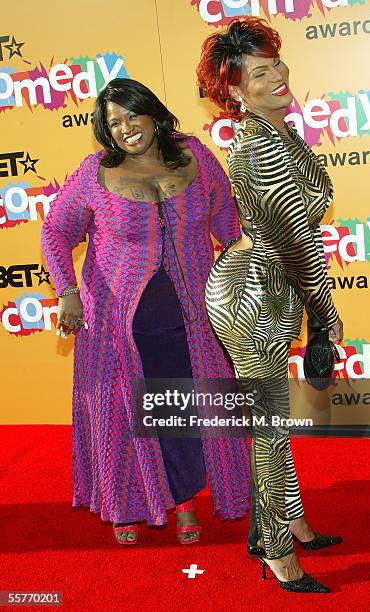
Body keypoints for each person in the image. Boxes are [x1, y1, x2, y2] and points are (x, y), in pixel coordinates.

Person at [41, 78, 250, 546]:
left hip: (191, 319)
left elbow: (227, 224)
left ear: (153, 112)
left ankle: (185, 503)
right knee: (122, 412)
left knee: (184, 411)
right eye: (113, 123)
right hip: (117, 323)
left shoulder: (195, 156)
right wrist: (67, 292)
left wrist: (247, 281)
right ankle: (124, 505)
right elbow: (55, 231)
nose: (126, 128)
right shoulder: (94, 172)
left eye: (132, 115)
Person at [197, 18, 343, 592]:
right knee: (271, 427)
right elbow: (296, 246)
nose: (278, 75)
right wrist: (326, 323)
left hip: (270, 284)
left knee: (271, 423)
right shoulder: (260, 147)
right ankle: (278, 553)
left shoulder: (279, 132)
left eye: (275, 63)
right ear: (234, 90)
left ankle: (287, 524)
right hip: (252, 293)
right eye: (260, 72)